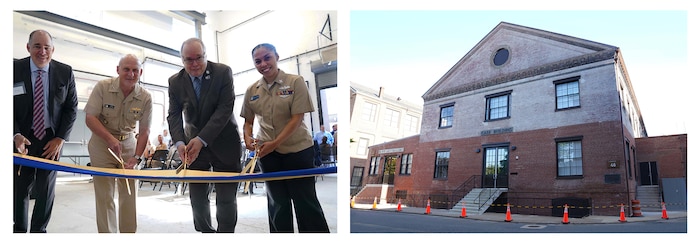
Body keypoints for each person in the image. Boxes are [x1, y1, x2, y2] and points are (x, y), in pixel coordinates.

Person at [241, 43, 330, 233]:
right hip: (268, 154)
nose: (263, 64)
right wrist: (247, 138)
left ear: (276, 57)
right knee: (277, 204)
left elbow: (297, 119)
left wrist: (275, 143)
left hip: (298, 150)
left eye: (267, 58)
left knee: (305, 202)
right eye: (258, 61)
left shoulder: (295, 81)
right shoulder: (252, 91)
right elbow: (248, 122)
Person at [167, 37, 241, 233]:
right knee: (197, 199)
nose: (194, 64)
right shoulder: (175, 81)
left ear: (206, 55)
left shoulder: (222, 72)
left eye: (199, 58)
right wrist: (180, 142)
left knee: (226, 199)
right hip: (192, 147)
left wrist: (202, 139)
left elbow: (224, 109)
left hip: (225, 143)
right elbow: (173, 114)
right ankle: (206, 233)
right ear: (182, 60)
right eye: (188, 60)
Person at [13, 29, 78, 233]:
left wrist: (60, 138)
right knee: (20, 187)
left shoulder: (65, 72)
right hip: (22, 139)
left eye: (47, 47)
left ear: (53, 49)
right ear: (28, 48)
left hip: (51, 140)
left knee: (46, 189)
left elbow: (71, 107)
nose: (42, 52)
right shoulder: (13, 69)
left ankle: (39, 231)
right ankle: (20, 230)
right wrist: (14, 135)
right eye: (37, 46)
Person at [85, 54, 152, 233]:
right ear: (118, 70)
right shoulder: (103, 87)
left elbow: (144, 131)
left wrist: (136, 157)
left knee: (129, 194)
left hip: (129, 144)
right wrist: (109, 138)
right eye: (126, 69)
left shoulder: (145, 97)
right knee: (105, 195)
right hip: (101, 144)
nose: (131, 74)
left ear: (140, 72)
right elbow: (90, 118)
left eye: (135, 70)